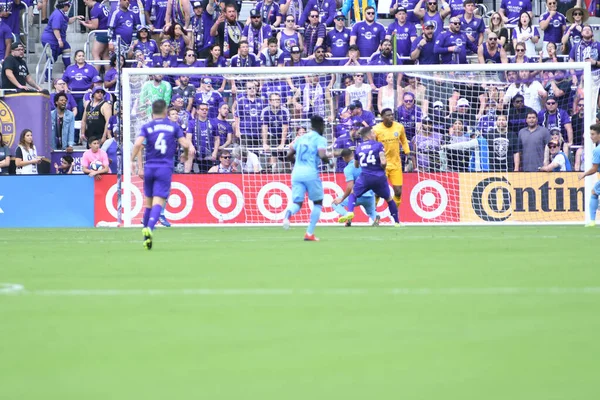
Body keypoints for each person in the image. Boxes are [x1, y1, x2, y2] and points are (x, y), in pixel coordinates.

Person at [132, 100, 189, 248]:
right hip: (164, 167)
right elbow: (185, 144)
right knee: (159, 202)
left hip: (150, 166)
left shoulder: (147, 126)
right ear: (165, 112)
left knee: (148, 203)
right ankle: (149, 228)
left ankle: (145, 232)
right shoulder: (173, 127)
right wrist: (185, 155)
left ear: (152, 112)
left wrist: (131, 160)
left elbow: (138, 144)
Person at [282, 115, 331, 241]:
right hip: (310, 173)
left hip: (296, 173)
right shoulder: (320, 139)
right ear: (320, 126)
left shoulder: (301, 138)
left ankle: (288, 214)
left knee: (297, 203)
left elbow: (288, 155)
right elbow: (321, 154)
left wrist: (298, 164)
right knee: (318, 202)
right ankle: (309, 233)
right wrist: (329, 162)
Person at [339, 127, 401, 226]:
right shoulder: (378, 145)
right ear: (369, 134)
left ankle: (350, 211)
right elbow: (383, 161)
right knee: (389, 199)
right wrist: (383, 167)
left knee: (353, 193)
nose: (375, 134)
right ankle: (397, 222)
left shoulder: (358, 148)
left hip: (365, 177)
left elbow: (356, 165)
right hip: (379, 177)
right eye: (373, 133)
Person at [373, 108, 410, 213]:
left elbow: (404, 140)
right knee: (378, 192)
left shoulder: (399, 127)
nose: (391, 117)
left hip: (396, 165)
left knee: (398, 192)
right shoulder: (376, 129)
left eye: (392, 115)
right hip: (381, 165)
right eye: (388, 115)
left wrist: (408, 153)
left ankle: (394, 214)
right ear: (382, 117)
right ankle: (373, 215)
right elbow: (372, 145)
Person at [332, 148, 380, 227]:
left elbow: (350, 186)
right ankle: (375, 217)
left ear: (344, 158)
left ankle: (347, 216)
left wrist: (342, 198)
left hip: (356, 195)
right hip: (370, 194)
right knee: (371, 211)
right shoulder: (364, 163)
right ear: (353, 155)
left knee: (335, 203)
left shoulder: (348, 169)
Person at [41, 0, 80, 71]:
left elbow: (68, 20)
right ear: (65, 6)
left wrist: (76, 17)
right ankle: (47, 77)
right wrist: (59, 40)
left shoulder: (61, 13)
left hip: (57, 38)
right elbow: (55, 29)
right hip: (51, 40)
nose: (69, 7)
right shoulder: (57, 15)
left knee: (66, 48)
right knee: (51, 58)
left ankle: (68, 70)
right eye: (68, 5)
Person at [578, 123, 600, 227]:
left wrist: (584, 174)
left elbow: (594, 169)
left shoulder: (597, 150)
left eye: (593, 134)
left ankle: (592, 221)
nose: (591, 137)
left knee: (594, 192)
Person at [80, 0, 110, 69]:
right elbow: (101, 20)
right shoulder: (102, 6)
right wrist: (90, 22)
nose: (84, 2)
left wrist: (84, 24)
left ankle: (95, 76)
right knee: (106, 56)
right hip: (108, 32)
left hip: (101, 33)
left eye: (85, 1)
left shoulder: (94, 10)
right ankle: (108, 76)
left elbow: (95, 26)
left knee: (95, 54)